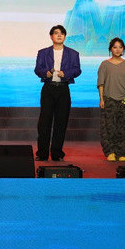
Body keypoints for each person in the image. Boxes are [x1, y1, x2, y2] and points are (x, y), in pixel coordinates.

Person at [34, 25, 82, 161]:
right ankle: (42, 153)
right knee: (44, 122)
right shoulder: (43, 52)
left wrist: (65, 73)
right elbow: (37, 69)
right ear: (51, 36)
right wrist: (46, 73)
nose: (59, 35)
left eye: (62, 33)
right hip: (48, 88)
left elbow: (77, 70)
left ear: (65, 36)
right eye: (56, 33)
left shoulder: (73, 53)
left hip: (63, 89)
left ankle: (57, 153)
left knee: (61, 122)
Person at [97, 37, 125, 162]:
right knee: (108, 127)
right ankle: (110, 151)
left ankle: (121, 152)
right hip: (109, 99)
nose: (118, 49)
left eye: (120, 47)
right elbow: (101, 84)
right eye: (115, 47)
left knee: (124, 127)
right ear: (111, 49)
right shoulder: (104, 64)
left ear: (123, 49)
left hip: (124, 99)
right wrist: (101, 99)